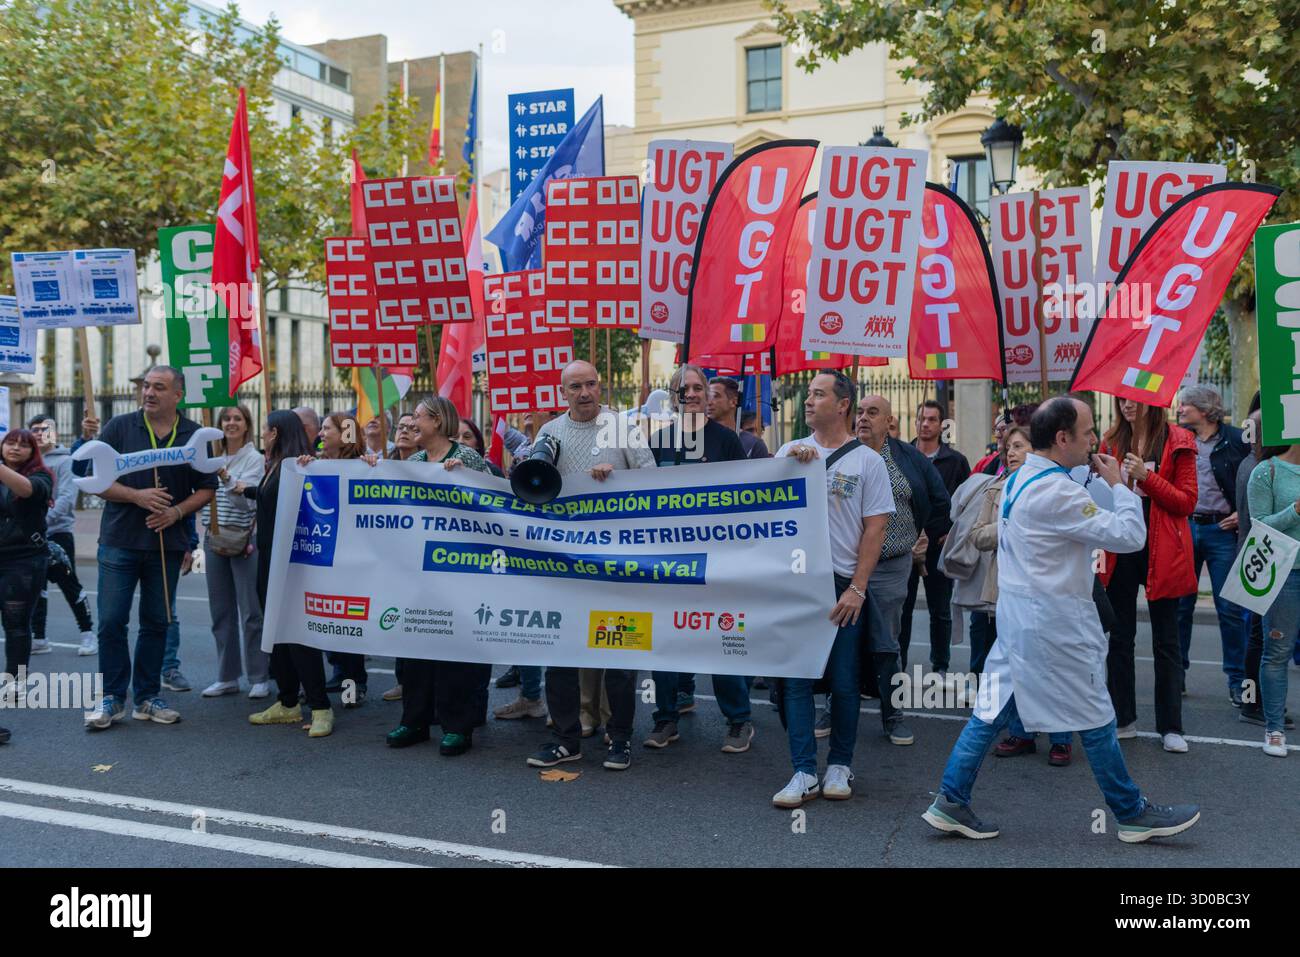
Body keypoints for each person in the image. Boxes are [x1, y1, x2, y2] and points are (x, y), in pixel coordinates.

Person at [923, 397, 1201, 843]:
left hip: (1022, 622)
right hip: (1056, 626)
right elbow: (1129, 537)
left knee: (990, 710)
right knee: (1094, 714)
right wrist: (1122, 488)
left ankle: (951, 799)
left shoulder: (1021, 478)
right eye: (1089, 432)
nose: (1096, 439)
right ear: (1062, 438)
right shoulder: (1057, 491)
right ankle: (1131, 813)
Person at [525, 360, 657, 772]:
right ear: (562, 392)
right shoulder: (549, 433)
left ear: (601, 386)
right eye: (575, 387)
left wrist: (614, 480)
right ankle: (566, 739)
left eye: (591, 384)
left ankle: (619, 738)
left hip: (618, 565)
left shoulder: (623, 428)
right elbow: (530, 487)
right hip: (564, 565)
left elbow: (653, 484)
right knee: (561, 655)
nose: (584, 393)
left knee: (619, 656)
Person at [771, 371, 892, 806]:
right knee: (798, 681)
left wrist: (857, 588)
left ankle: (840, 764)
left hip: (843, 585)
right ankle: (803, 771)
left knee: (844, 681)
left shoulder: (868, 462)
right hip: (798, 582)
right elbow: (765, 513)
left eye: (818, 394)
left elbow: (875, 528)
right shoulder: (789, 452)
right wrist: (788, 468)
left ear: (842, 405)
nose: (808, 401)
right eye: (808, 394)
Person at [84, 367, 216, 731]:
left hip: (167, 545)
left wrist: (175, 512)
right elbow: (96, 483)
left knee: (157, 622)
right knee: (111, 621)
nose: (149, 392)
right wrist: (136, 496)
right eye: (145, 386)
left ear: (178, 395)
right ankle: (112, 698)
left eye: (159, 387)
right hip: (118, 541)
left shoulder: (192, 434)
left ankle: (146, 697)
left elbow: (206, 488)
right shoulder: (119, 428)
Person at [642, 364, 755, 754]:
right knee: (665, 641)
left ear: (708, 395)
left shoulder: (726, 441)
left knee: (721, 638)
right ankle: (666, 717)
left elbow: (748, 497)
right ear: (672, 398)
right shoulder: (657, 443)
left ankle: (739, 720)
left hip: (717, 561)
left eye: (697, 388)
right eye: (682, 389)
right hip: (669, 562)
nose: (690, 394)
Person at [383, 396, 493, 756]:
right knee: (416, 646)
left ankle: (457, 726)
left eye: (417, 417)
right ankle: (414, 719)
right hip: (418, 569)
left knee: (453, 650)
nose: (411, 423)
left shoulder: (467, 456)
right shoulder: (414, 461)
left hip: (458, 567)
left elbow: (492, 503)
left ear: (437, 421)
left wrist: (468, 477)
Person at [963, 426, 1077, 766]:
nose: (1010, 452)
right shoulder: (995, 488)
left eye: (1018, 446)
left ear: (1036, 450)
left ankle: (1061, 738)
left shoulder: (1056, 487)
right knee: (1014, 665)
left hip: (1048, 590)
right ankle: (1021, 732)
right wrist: (1011, 524)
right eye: (1007, 446)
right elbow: (977, 536)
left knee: (1052, 665)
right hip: (1006, 589)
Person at [1100, 397, 1197, 753]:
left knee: (1166, 639)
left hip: (1162, 547)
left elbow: (1187, 501)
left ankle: (1171, 726)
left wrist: (1148, 478)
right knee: (1120, 636)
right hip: (1121, 546)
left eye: (1135, 399)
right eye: (1121, 399)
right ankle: (1123, 718)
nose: (1127, 405)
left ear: (1152, 401)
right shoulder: (1110, 440)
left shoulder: (1178, 440)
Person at [856, 393, 950, 746]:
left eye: (873, 413)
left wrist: (921, 532)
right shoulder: (843, 455)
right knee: (843, 638)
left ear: (889, 421)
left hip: (893, 564)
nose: (864, 418)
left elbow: (941, 501)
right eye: (860, 412)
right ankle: (835, 707)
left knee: (886, 642)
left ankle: (892, 715)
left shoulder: (908, 458)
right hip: (847, 564)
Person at [245, 411, 333, 737]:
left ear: (276, 432)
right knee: (276, 634)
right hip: (268, 560)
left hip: (291, 564)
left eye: (265, 429)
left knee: (297, 636)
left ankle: (321, 707)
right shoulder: (276, 465)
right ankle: (287, 702)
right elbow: (268, 500)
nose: (262, 435)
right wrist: (246, 490)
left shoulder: (298, 466)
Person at [1175, 385, 1249, 707]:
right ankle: (1175, 676)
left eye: (1185, 405)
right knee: (1180, 607)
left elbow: (1253, 477)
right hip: (1186, 526)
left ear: (1203, 409)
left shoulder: (1235, 439)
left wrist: (1241, 512)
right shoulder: (1179, 440)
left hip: (1222, 530)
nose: (1179, 410)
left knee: (1229, 609)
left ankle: (1238, 683)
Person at [199, 405, 269, 699]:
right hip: (213, 539)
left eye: (237, 419)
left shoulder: (255, 459)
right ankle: (227, 677)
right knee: (220, 612)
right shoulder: (207, 458)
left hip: (244, 541)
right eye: (226, 419)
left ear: (247, 424)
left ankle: (259, 676)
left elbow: (248, 504)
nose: (231, 423)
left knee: (251, 612)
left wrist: (227, 478)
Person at [899, 399, 969, 677]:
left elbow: (967, 503)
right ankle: (897, 666)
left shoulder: (956, 461)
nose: (925, 424)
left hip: (939, 545)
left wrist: (953, 531)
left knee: (940, 610)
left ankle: (940, 666)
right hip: (905, 544)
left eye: (931, 419)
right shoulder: (901, 455)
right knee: (902, 610)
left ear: (942, 425)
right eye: (922, 418)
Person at [306, 413, 369, 706]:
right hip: (324, 554)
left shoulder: (362, 467)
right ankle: (339, 671)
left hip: (352, 558)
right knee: (329, 621)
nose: (321, 432)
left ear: (345, 433)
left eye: (326, 428)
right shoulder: (315, 463)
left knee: (349, 625)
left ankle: (353, 687)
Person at [1245, 440, 1300, 757]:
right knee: (1277, 652)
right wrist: (1294, 511)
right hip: (1285, 574)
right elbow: (1259, 525)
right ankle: (1274, 729)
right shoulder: (1267, 471)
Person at [0, 429, 54, 731]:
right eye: (11, 443)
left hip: (23, 561)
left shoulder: (41, 476)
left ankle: (15, 681)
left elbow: (25, 491)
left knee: (16, 624)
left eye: (24, 445)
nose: (16, 448)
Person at [28, 416, 96, 657]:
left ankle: (88, 634)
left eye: (44, 430)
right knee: (36, 586)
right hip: (31, 535)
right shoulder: (26, 463)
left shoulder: (65, 460)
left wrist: (41, 521)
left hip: (58, 533)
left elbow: (67, 498)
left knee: (69, 584)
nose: (39, 434)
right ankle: (39, 638)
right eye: (34, 430)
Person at [708, 375, 770, 458]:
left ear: (733, 401)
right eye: (707, 397)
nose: (709, 402)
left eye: (715, 396)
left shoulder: (754, 444)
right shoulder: (698, 442)